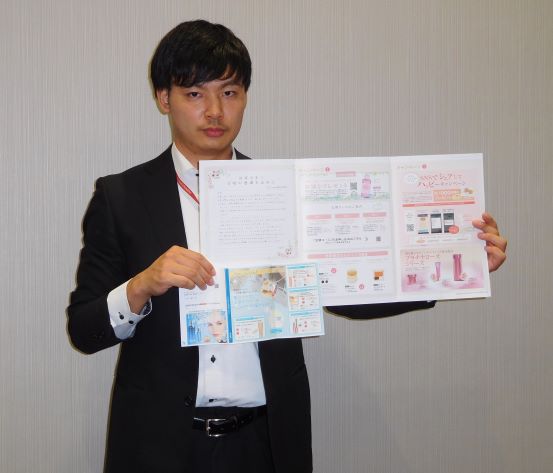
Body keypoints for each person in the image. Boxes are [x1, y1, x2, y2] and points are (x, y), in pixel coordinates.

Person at [67, 20, 507, 473]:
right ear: (164, 98)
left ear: (245, 97)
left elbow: (347, 292)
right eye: (195, 94)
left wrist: (451, 265)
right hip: (157, 445)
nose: (215, 111)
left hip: (267, 442)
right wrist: (140, 286)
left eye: (230, 92)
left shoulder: (288, 192)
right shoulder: (121, 197)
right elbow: (83, 329)